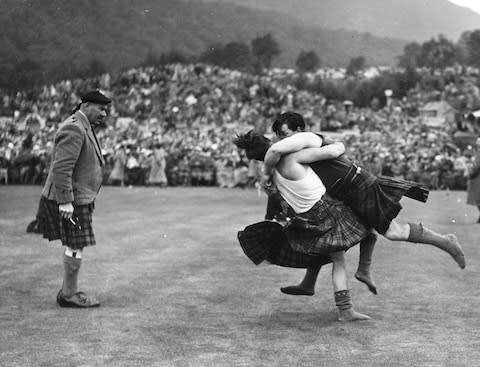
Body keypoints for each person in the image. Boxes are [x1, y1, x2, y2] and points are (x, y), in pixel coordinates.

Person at [262, 112, 466, 296]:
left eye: (285, 134)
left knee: (393, 232)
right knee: (326, 235)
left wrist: (266, 172)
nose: (282, 140)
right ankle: (318, 281)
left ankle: (445, 241)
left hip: (358, 186)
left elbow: (330, 151)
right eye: (279, 135)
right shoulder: (298, 150)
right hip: (347, 190)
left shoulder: (309, 140)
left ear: (298, 131)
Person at [235, 131, 371, 321]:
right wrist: (339, 144)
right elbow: (331, 153)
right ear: (269, 143)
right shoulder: (292, 157)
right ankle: (345, 309)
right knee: (348, 250)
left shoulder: (269, 176)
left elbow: (281, 201)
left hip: (305, 219)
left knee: (334, 256)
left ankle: (312, 287)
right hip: (326, 211)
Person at [37, 90, 111, 308]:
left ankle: (68, 291)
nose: (105, 114)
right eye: (101, 108)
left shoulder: (82, 125)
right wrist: (66, 201)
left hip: (79, 197)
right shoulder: (74, 127)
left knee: (75, 244)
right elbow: (61, 168)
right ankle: (69, 294)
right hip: (73, 199)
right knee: (75, 245)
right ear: (86, 106)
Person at [466, 137, 480, 223]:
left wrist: (470, 173)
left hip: (477, 178)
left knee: (477, 199)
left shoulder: (479, 153)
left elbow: (477, 166)